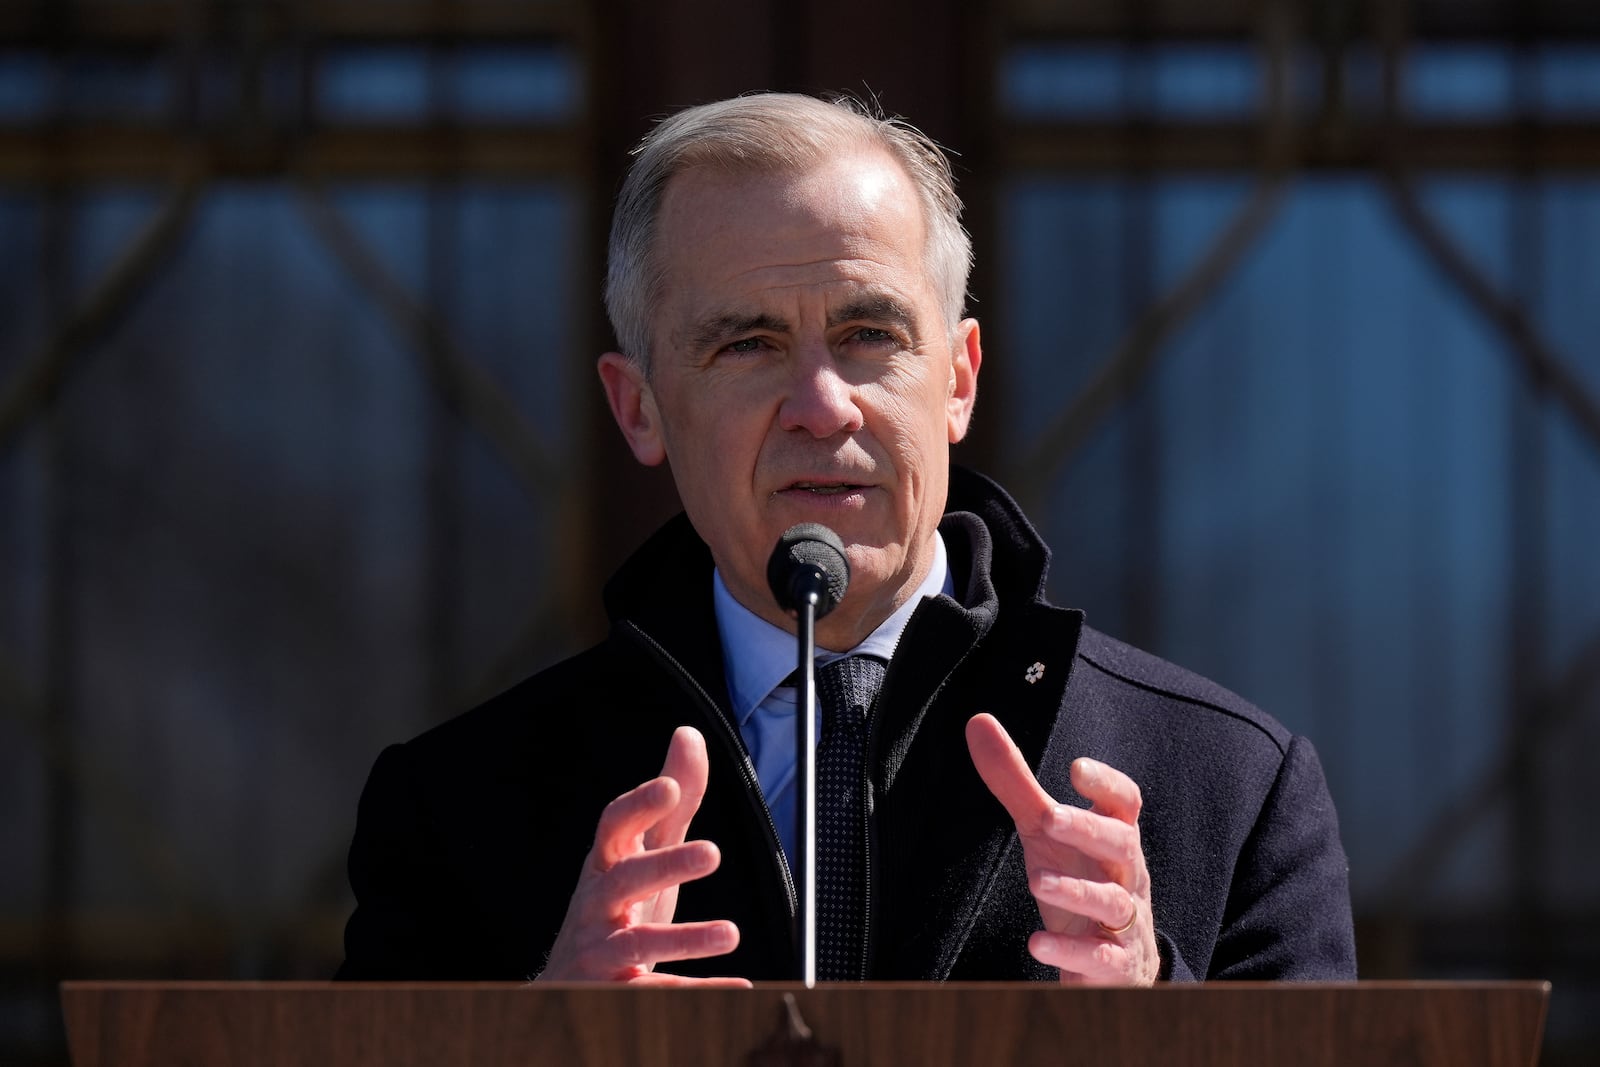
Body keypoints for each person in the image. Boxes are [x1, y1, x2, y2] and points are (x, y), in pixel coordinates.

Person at [337, 92, 1356, 985]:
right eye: (748, 343)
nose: (821, 406)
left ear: (956, 378)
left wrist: (1152, 1006)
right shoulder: (458, 810)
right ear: (638, 407)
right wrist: (542, 1039)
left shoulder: (1228, 784)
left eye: (870, 336)